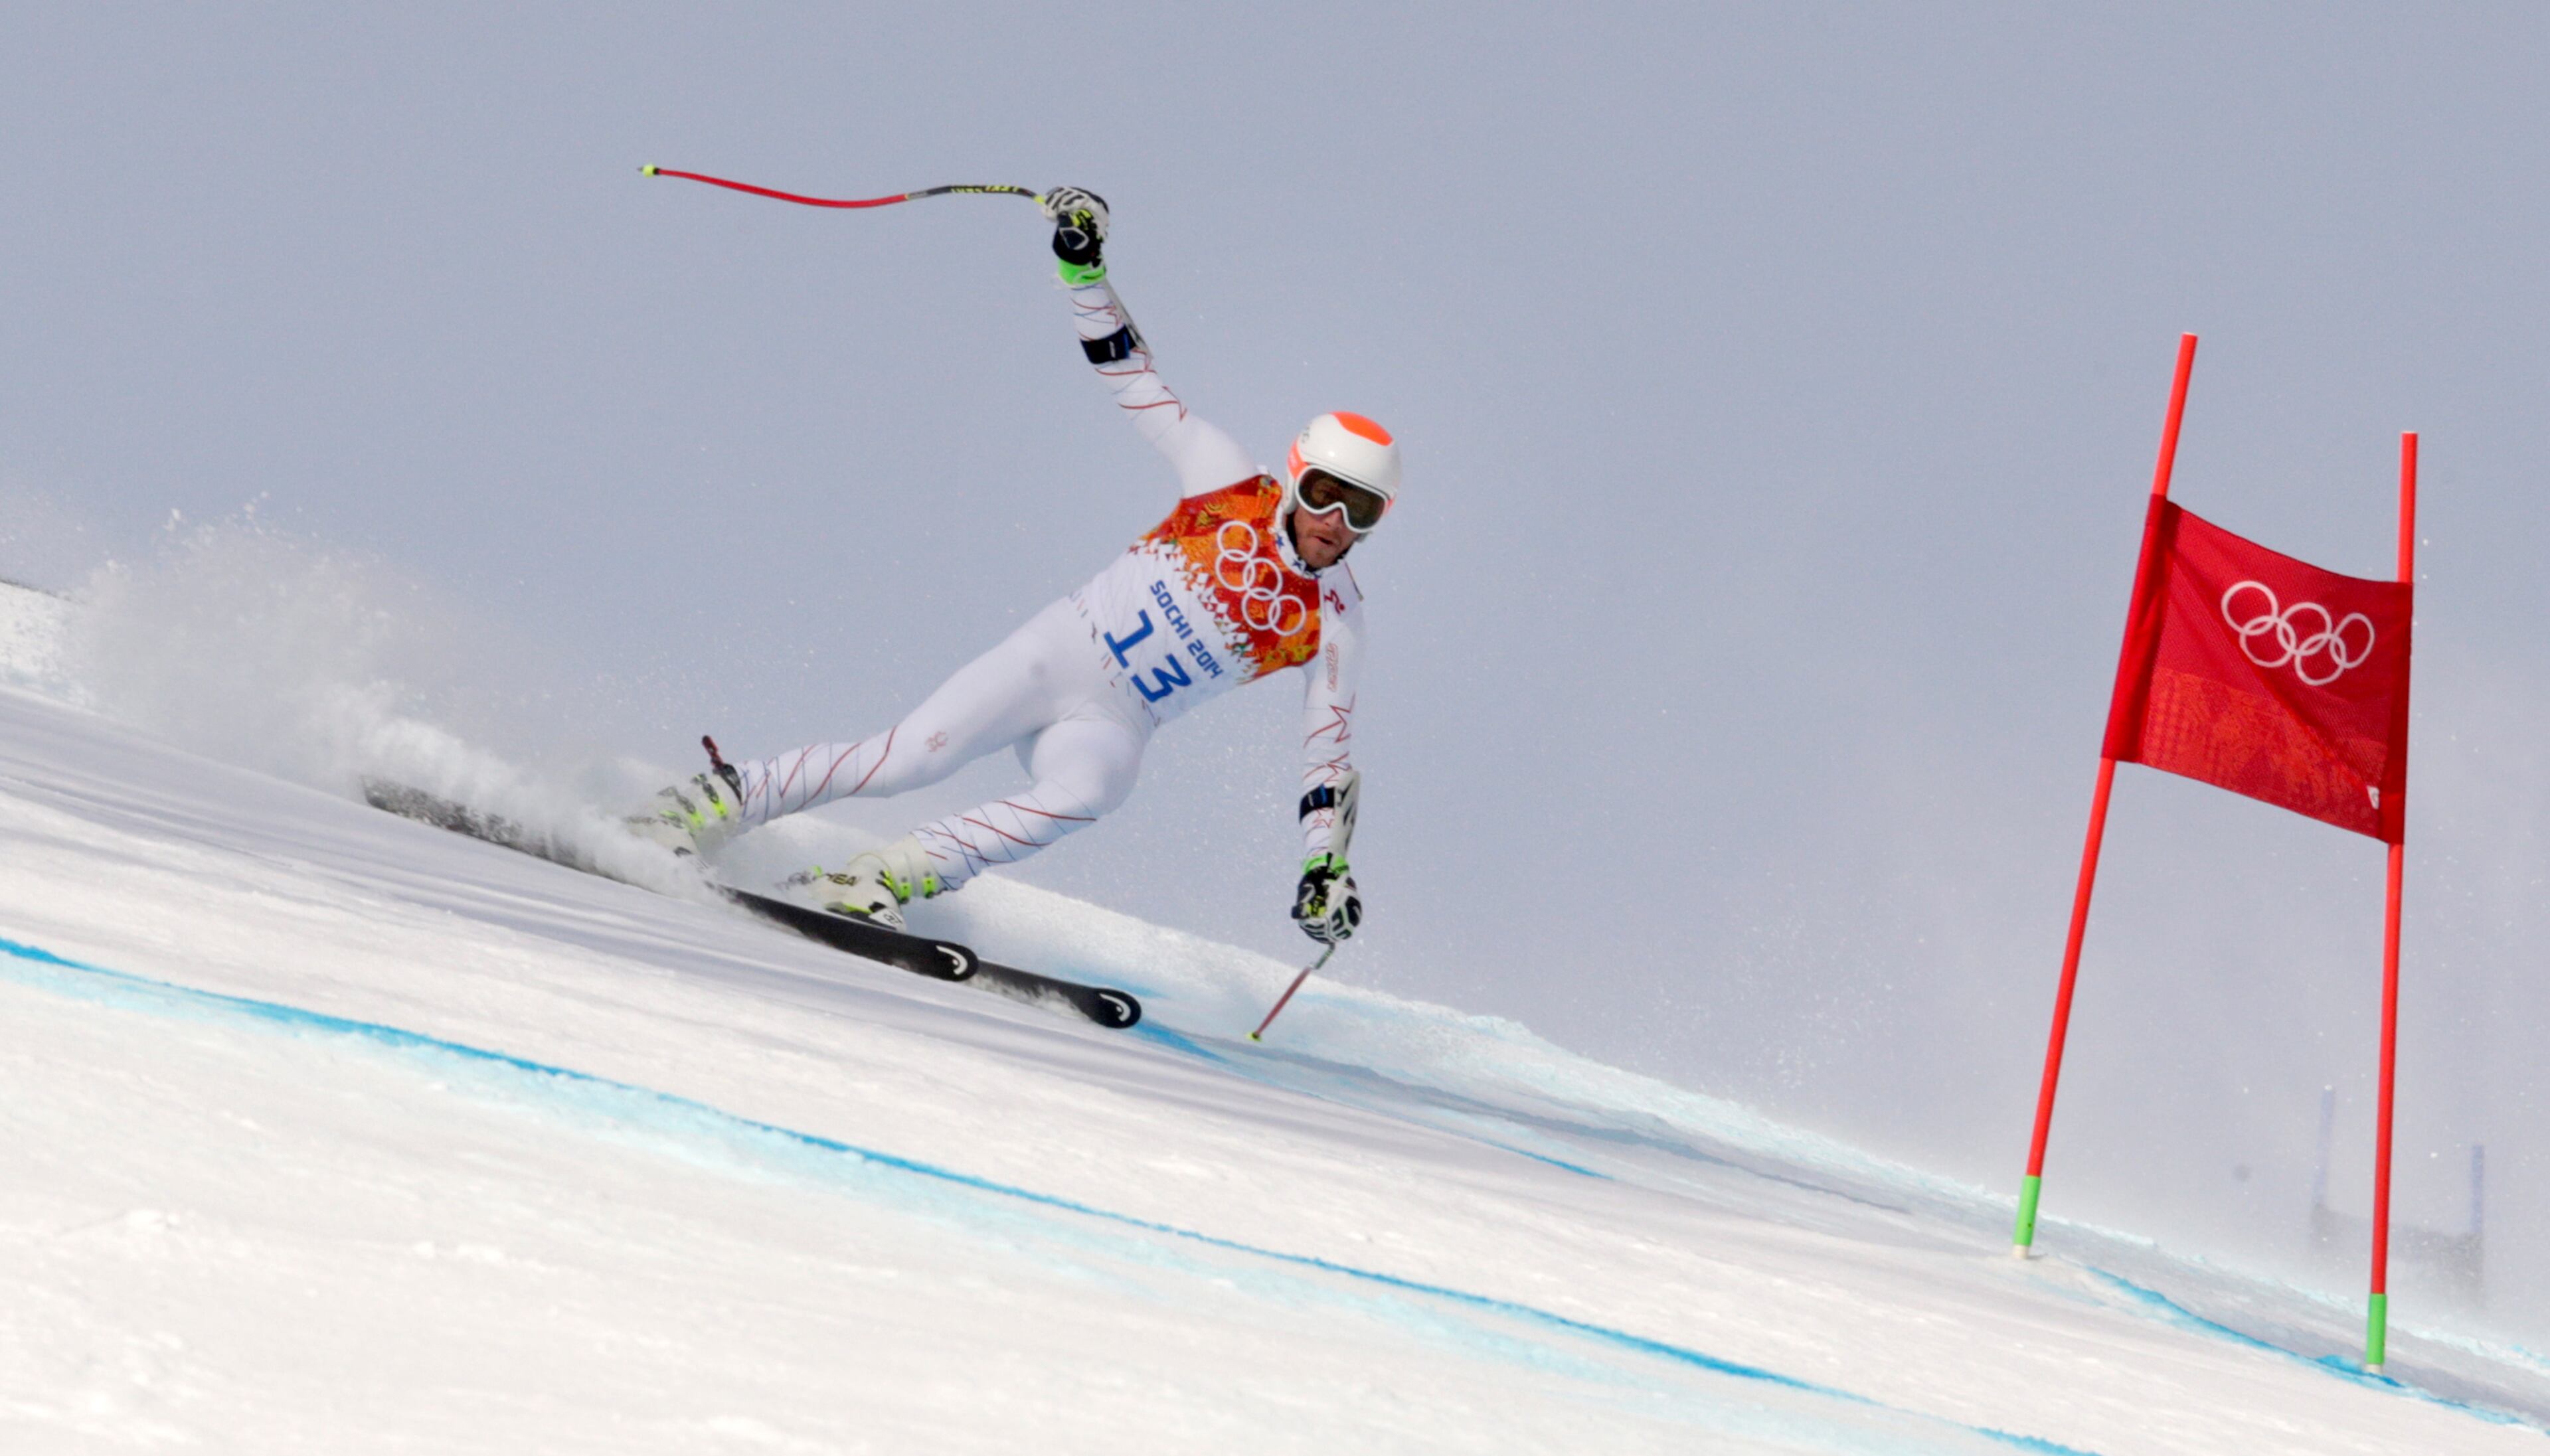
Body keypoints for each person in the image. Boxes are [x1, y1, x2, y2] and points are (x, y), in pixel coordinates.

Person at [630, 187, 1393, 947]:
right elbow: (1131, 377)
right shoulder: (1226, 483)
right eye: (1327, 494)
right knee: (910, 759)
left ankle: (880, 877)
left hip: (1120, 718)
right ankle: (698, 807)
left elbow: (1325, 753)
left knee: (1094, 790)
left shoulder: (1336, 622)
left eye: (1363, 511)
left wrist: (1322, 866)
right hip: (1063, 651)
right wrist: (1083, 272)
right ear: (1296, 476)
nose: (1336, 522)